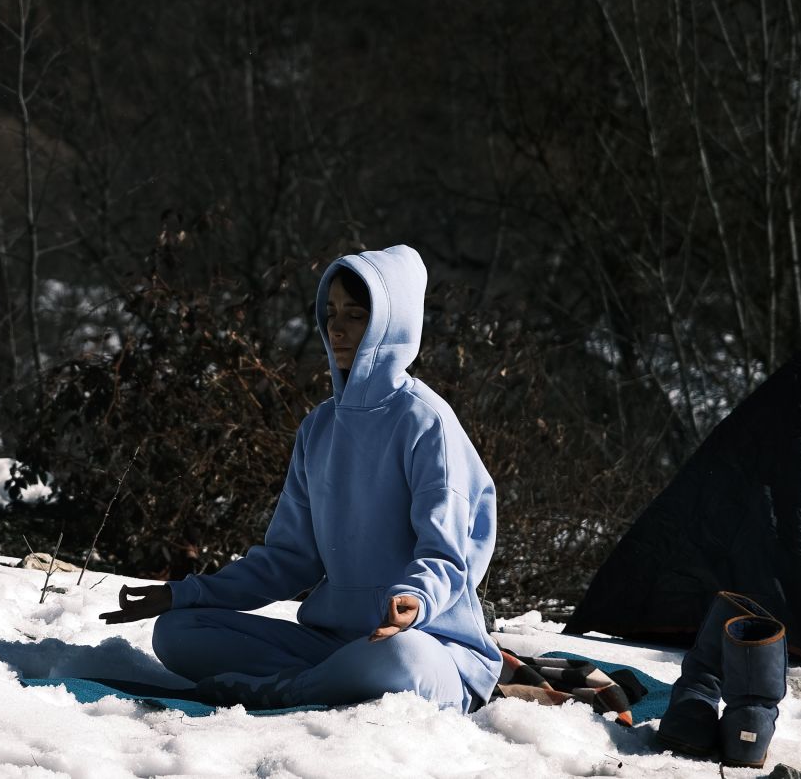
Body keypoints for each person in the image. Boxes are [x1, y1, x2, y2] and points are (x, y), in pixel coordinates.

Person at [99, 244, 500, 714]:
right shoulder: (320, 427)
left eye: (355, 314)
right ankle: (320, 684)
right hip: (329, 646)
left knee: (399, 658)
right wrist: (185, 593)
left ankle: (290, 693)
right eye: (330, 312)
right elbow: (288, 560)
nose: (337, 327)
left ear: (393, 322)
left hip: (429, 650)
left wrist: (415, 597)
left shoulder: (426, 422)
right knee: (176, 631)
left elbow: (447, 555)